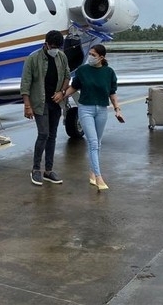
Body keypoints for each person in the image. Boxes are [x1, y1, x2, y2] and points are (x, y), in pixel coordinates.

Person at [63, 44, 124, 191]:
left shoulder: (109, 72)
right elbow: (74, 87)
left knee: (98, 143)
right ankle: (98, 176)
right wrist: (62, 95)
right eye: (89, 54)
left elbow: (112, 92)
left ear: (101, 57)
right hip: (85, 109)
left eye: (93, 55)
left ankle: (91, 172)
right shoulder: (83, 70)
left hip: (102, 110)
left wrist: (117, 109)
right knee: (93, 142)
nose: (90, 57)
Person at [20, 30, 71, 186]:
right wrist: (27, 106)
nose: (55, 49)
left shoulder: (61, 57)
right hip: (39, 103)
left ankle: (48, 170)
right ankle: (36, 169)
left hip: (55, 102)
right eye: (53, 46)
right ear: (46, 44)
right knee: (43, 133)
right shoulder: (33, 58)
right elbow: (25, 84)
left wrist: (61, 92)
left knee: (52, 135)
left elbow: (67, 76)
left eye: (58, 47)